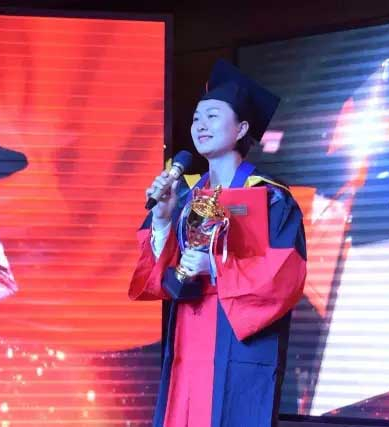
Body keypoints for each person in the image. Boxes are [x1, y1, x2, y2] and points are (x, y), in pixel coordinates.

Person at [128, 59, 307, 427]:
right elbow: (160, 274)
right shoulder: (184, 194)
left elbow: (284, 275)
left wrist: (215, 266)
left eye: (212, 116)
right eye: (196, 118)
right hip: (189, 335)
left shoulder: (270, 197)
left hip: (240, 339)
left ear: (242, 128)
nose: (200, 125)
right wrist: (161, 219)